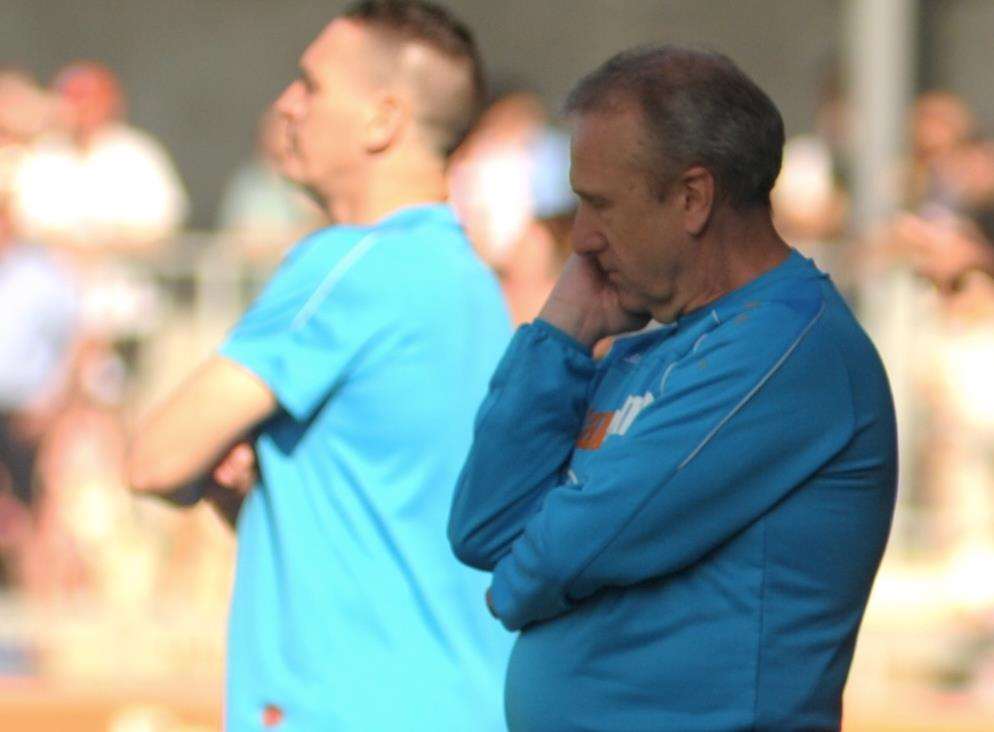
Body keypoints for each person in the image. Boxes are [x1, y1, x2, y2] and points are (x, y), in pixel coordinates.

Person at [449, 46, 898, 731]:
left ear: (693, 197)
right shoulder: (660, 345)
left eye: (599, 204)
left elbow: (559, 555)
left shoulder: (788, 349)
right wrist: (562, 334)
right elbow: (484, 527)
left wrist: (516, 584)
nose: (581, 238)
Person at [127, 2, 511, 729]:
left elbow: (153, 458)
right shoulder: (471, 285)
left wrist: (206, 467)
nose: (286, 105)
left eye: (310, 85)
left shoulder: (348, 264)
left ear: (382, 119)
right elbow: (377, 525)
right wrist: (242, 493)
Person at [11, 61, 188, 250]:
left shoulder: (134, 152)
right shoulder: (45, 152)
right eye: (73, 100)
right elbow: (24, 216)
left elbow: (164, 216)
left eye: (88, 100)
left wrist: (106, 235)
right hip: (52, 268)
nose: (80, 110)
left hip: (119, 269)